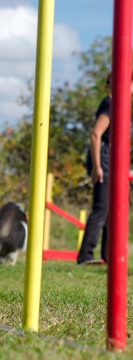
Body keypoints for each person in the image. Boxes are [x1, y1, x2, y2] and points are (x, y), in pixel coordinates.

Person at [77, 72, 133, 265]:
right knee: (101, 208)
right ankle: (85, 255)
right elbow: (95, 134)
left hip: (112, 159)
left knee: (112, 209)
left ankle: (108, 256)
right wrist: (97, 167)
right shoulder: (110, 103)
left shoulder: (118, 104)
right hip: (104, 158)